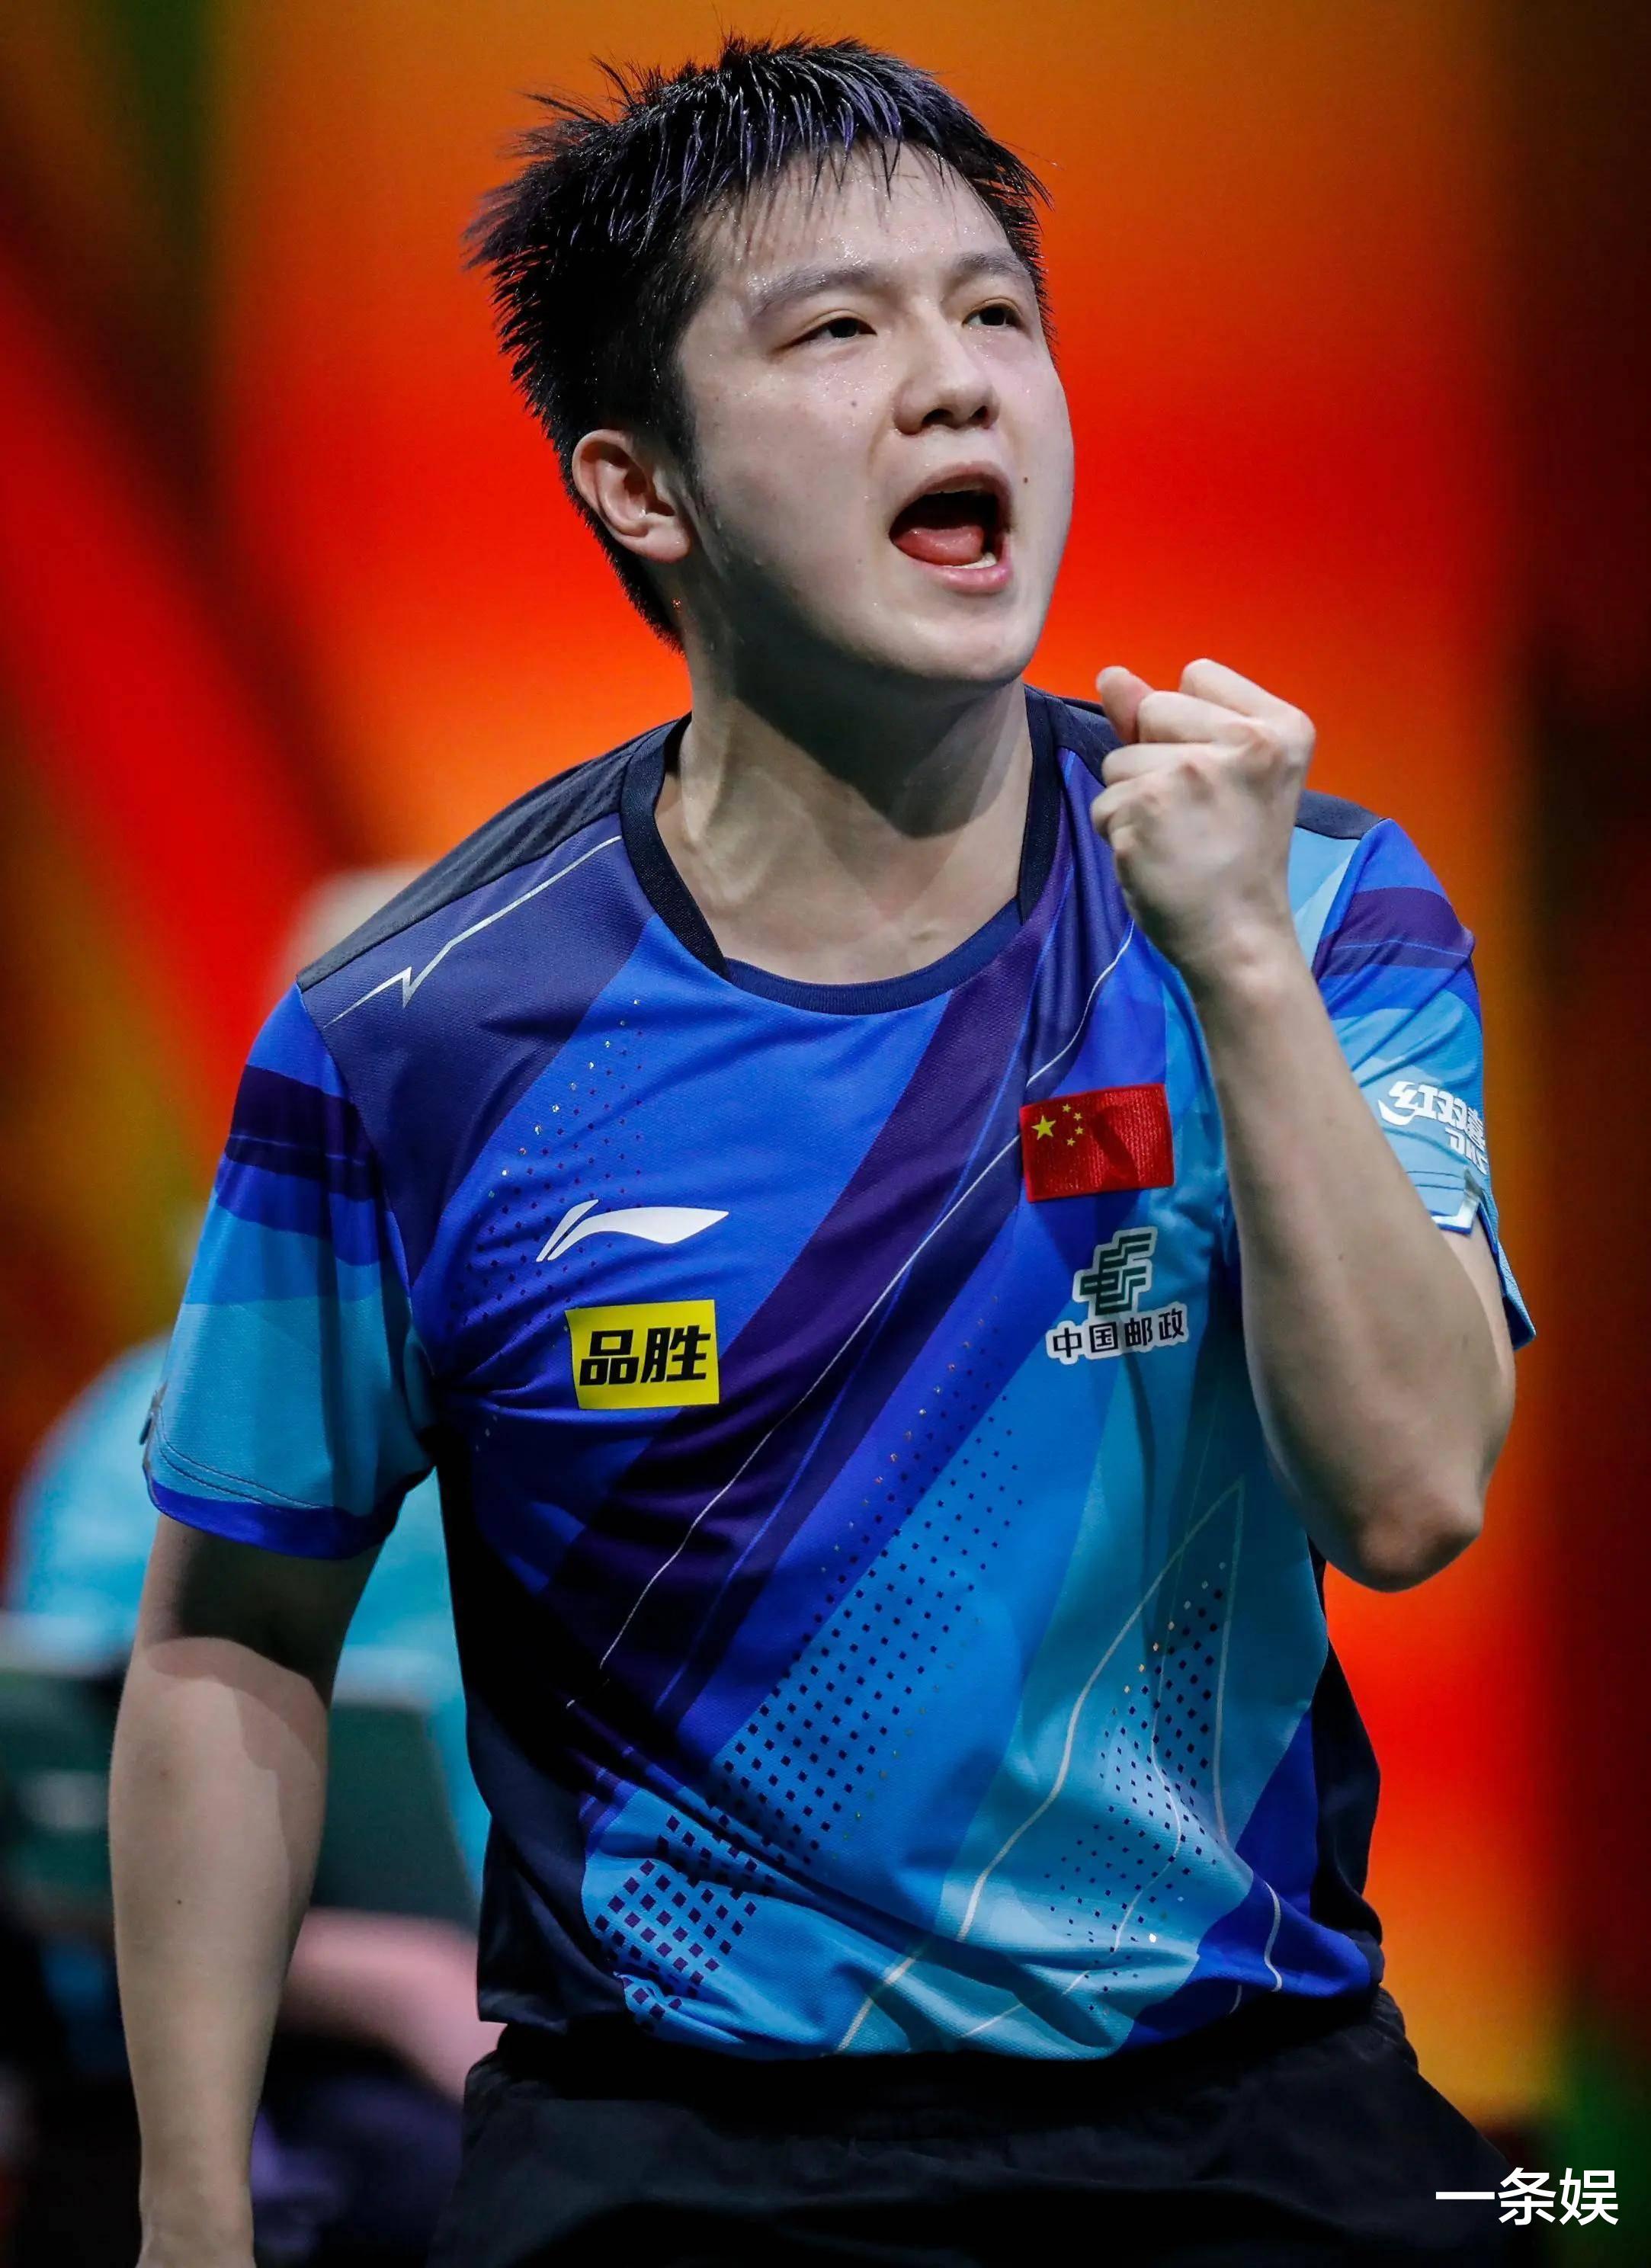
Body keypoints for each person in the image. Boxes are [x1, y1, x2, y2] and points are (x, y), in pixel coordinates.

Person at [114, 35, 1535, 2268]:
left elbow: (1415, 1495)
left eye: (997, 314)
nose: (957, 382)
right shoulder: (417, 1035)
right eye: (840, 330)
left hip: (1251, 2114)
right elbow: (236, 1642)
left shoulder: (1318, 902)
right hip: (674, 2153)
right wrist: (190, 2223)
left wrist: (1242, 967)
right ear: (640, 486)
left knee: (1538, 2195)